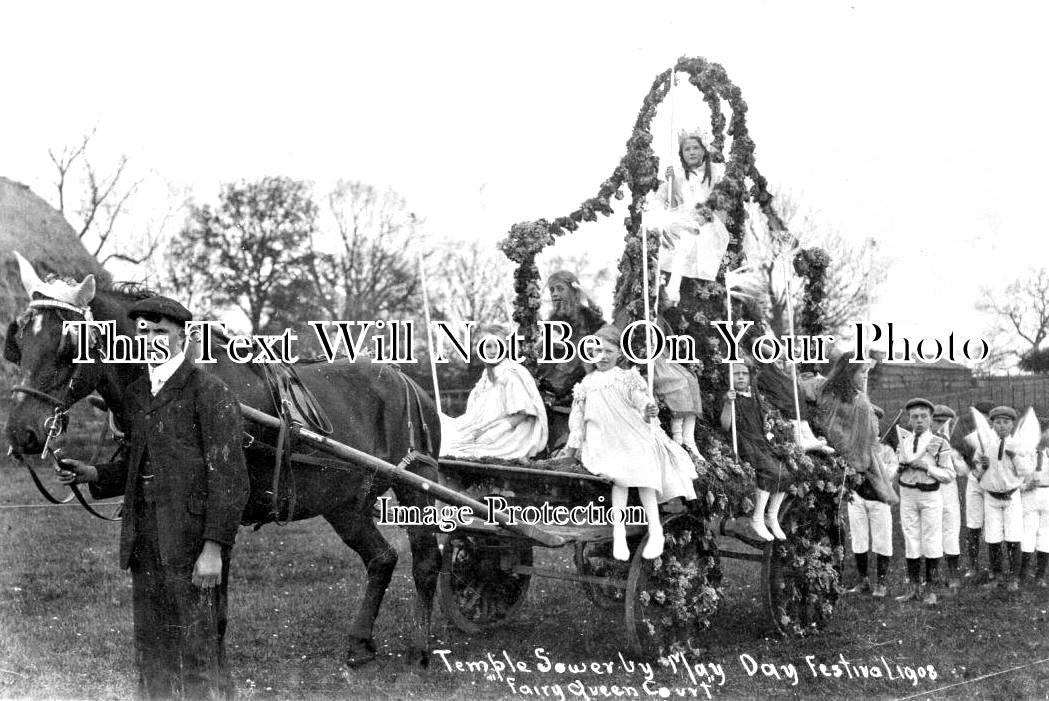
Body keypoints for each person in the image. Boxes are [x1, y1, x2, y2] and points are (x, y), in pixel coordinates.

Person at [56, 295, 250, 699]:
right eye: (144, 330)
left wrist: (213, 549)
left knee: (199, 654)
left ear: (183, 335)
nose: (151, 337)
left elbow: (230, 479)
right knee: (153, 655)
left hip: (193, 546)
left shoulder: (208, 392)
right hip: (144, 543)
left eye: (161, 330)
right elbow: (136, 461)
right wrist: (92, 473)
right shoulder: (138, 393)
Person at [561, 325, 697, 561]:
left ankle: (656, 530)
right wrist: (572, 447)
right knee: (619, 478)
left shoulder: (627, 378)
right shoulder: (586, 383)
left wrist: (648, 410)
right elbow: (577, 419)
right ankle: (619, 531)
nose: (601, 357)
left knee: (641, 465)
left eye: (608, 352)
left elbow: (642, 405)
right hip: (601, 442)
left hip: (630, 434)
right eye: (596, 351)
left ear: (619, 354)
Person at [440, 325, 548, 460]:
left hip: (507, 434)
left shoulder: (510, 374)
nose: (493, 351)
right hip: (483, 428)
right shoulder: (487, 375)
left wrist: (494, 433)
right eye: (488, 346)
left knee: (453, 445)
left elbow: (523, 413)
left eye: (497, 346)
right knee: (441, 426)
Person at [649, 129, 731, 305]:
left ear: (703, 151)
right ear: (682, 153)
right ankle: (665, 285)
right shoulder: (679, 177)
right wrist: (671, 184)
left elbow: (722, 197)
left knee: (688, 235)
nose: (692, 152)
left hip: (708, 222)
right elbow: (671, 205)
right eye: (687, 149)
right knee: (673, 233)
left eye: (696, 148)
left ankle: (674, 287)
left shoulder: (715, 173)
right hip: (685, 220)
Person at [807, 354, 897, 505]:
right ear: (849, 372)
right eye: (862, 372)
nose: (865, 377)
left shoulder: (823, 389)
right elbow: (865, 441)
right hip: (838, 458)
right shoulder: (858, 401)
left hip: (824, 451)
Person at [721, 362, 793, 542]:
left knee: (786, 472)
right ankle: (757, 518)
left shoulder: (754, 396)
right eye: (736, 374)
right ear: (728, 378)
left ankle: (772, 516)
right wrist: (728, 404)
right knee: (770, 471)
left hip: (760, 440)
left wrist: (766, 425)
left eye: (744, 374)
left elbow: (760, 419)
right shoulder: (729, 397)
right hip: (743, 441)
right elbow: (725, 425)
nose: (740, 377)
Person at [895, 397, 956, 606]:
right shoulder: (903, 441)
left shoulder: (940, 443)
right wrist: (900, 468)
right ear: (909, 420)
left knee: (931, 539)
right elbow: (895, 468)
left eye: (923, 416)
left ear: (931, 419)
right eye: (914, 417)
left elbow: (949, 475)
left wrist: (927, 467)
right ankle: (913, 587)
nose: (919, 420)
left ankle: (930, 589)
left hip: (930, 495)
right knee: (911, 538)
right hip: (907, 494)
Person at [974, 405, 1034, 590]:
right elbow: (976, 472)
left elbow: (1027, 471)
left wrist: (1015, 457)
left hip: (1011, 497)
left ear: (1012, 425)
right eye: (997, 422)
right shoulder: (984, 444)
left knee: (1013, 537)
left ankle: (1014, 578)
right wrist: (982, 466)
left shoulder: (1018, 445)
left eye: (1006, 422)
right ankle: (997, 576)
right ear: (992, 424)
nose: (1001, 426)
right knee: (992, 537)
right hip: (991, 497)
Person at [845, 403, 897, 598]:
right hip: (857, 497)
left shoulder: (885, 449)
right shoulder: (851, 446)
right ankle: (863, 580)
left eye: (871, 421)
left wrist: (876, 465)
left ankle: (881, 583)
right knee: (859, 538)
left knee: (882, 539)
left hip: (879, 498)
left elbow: (891, 472)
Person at [535, 270, 606, 409]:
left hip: (580, 366)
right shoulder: (554, 317)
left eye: (560, 289)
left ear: (574, 292)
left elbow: (606, 333)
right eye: (552, 290)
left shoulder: (587, 314)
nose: (555, 294)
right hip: (556, 363)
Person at [956, 400, 994, 579]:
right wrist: (973, 468)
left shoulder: (997, 439)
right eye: (981, 417)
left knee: (994, 525)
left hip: (994, 485)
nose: (984, 422)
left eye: (988, 418)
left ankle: (994, 567)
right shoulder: (969, 439)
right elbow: (964, 467)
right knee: (973, 524)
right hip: (974, 483)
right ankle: (973, 566)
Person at [932, 404, 962, 589]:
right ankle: (933, 572)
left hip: (949, 490)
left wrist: (953, 452)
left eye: (945, 422)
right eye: (937, 421)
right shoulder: (923, 441)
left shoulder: (954, 444)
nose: (941, 425)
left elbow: (963, 470)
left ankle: (953, 573)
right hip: (929, 490)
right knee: (931, 530)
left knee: (951, 530)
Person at [1020, 433, 1049, 587]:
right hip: (1030, 494)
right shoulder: (1026, 455)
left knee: (1045, 534)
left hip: (1047, 494)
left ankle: (1040, 575)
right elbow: (1018, 476)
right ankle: (1023, 573)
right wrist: (1025, 486)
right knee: (1028, 532)